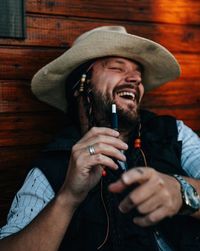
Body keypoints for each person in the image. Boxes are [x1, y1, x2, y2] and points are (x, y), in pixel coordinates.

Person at [0, 26, 200, 251]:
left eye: (138, 73)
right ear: (81, 85)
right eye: (116, 67)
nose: (135, 78)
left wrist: (183, 192)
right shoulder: (52, 167)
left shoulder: (173, 132)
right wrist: (69, 197)